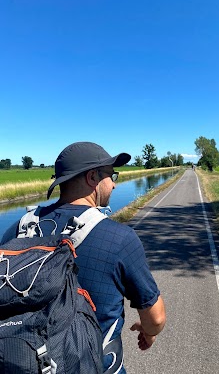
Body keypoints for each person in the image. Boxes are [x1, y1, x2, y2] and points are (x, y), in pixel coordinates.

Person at [1, 141, 166, 374]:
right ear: (92, 178)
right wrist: (148, 332)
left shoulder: (18, 229)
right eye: (112, 176)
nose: (115, 185)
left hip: (23, 362)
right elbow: (155, 318)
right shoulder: (120, 239)